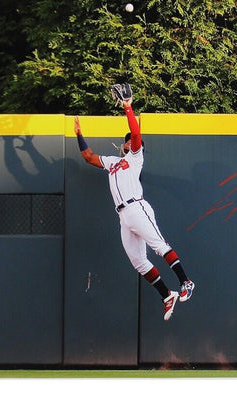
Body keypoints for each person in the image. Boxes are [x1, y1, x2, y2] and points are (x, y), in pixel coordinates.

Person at [73, 98, 195, 321]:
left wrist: (127, 107)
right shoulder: (112, 161)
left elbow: (136, 134)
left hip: (136, 206)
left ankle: (186, 282)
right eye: (127, 140)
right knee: (138, 262)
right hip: (123, 215)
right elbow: (88, 157)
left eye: (132, 140)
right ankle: (167, 296)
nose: (129, 141)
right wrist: (79, 134)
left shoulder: (136, 157)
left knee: (159, 246)